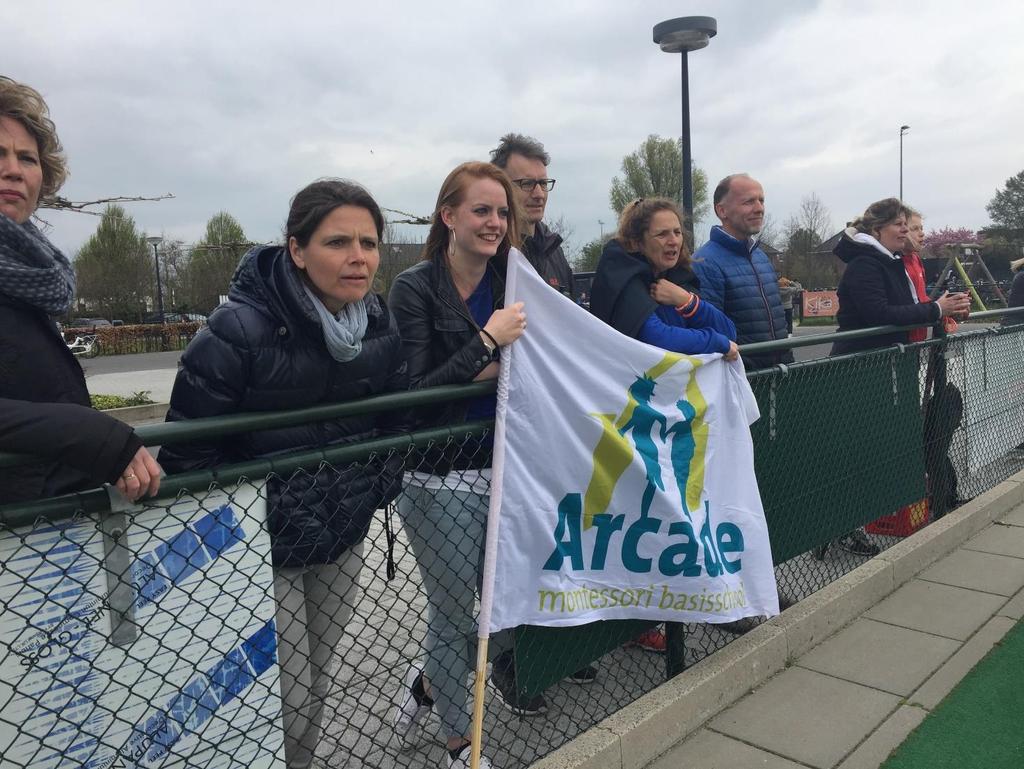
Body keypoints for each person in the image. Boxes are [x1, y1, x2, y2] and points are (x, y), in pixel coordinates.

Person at [159, 179, 407, 769]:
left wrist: (373, 488)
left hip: (342, 535)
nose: (358, 257)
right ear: (296, 249)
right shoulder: (236, 331)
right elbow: (186, 454)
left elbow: (397, 423)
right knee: (286, 701)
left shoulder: (377, 323)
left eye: (369, 243)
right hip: (258, 551)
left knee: (316, 688)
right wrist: (245, 517)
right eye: (338, 241)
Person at [388, 161, 527, 769]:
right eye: (481, 210)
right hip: (437, 476)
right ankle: (458, 745)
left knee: (513, 612)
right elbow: (419, 390)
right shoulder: (414, 288)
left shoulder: (516, 281)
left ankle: (429, 683)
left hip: (510, 468)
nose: (495, 222)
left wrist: (491, 363)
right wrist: (490, 345)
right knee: (451, 616)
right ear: (448, 216)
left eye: (502, 212)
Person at [0, 75, 160, 505]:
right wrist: (87, 433)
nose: (13, 170)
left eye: (27, 158)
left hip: (49, 525)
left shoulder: (30, 273)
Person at [590, 198, 738, 647]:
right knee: (637, 514)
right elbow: (656, 337)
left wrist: (687, 301)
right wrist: (713, 342)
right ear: (638, 240)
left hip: (676, 420)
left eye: (677, 232)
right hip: (631, 417)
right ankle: (635, 621)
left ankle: (685, 602)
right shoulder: (624, 276)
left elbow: (729, 327)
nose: (673, 241)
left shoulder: (674, 281)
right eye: (662, 234)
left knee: (679, 512)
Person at [831, 198, 969, 355]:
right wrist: (937, 309)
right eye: (898, 224)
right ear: (877, 230)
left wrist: (949, 306)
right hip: (864, 363)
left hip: (890, 358)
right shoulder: (864, 264)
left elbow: (909, 305)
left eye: (905, 224)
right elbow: (879, 314)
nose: (905, 230)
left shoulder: (891, 261)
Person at [692, 174, 792, 370]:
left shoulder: (761, 257)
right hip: (743, 380)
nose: (759, 208)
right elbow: (709, 330)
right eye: (748, 202)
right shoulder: (704, 262)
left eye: (761, 200)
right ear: (722, 210)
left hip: (781, 373)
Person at [490, 133, 573, 296]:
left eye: (543, 183)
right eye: (527, 184)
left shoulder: (554, 251)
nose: (539, 194)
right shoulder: (489, 255)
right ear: (500, 186)